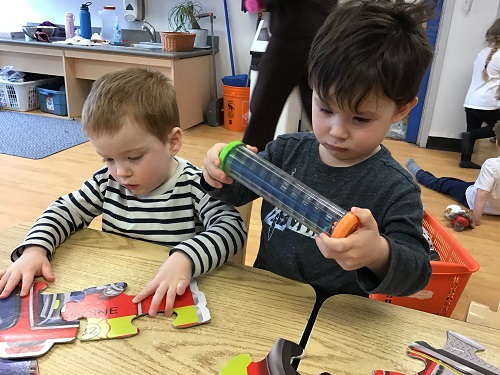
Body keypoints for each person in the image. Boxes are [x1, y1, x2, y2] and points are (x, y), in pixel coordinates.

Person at [202, 0, 434, 300]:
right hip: (268, 297)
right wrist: (219, 172)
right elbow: (237, 193)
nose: (337, 131)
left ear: (401, 110)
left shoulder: (395, 188)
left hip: (334, 315)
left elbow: (418, 273)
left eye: (360, 118)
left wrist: (378, 254)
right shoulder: (286, 152)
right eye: (325, 108)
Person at [0, 68, 247, 316]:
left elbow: (232, 228)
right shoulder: (107, 182)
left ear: (172, 142)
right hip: (118, 290)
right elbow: (64, 210)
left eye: (134, 157)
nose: (121, 172)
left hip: (169, 298)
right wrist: (34, 249)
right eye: (107, 158)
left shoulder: (195, 184)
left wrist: (186, 259)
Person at [242, 0, 338, 152]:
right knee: (324, 109)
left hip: (292, 34)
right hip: (322, 32)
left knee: (262, 111)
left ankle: (247, 169)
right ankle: (344, 164)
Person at [406, 122, 500, 226]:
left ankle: (419, 173)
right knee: (479, 183)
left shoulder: (491, 165)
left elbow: (482, 194)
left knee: (445, 183)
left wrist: (475, 218)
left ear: (497, 144)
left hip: (477, 201)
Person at [460, 18, 500, 169]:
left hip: (471, 101)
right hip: (487, 104)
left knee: (471, 130)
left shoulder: (483, 52)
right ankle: (469, 136)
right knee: (493, 129)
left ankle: (465, 160)